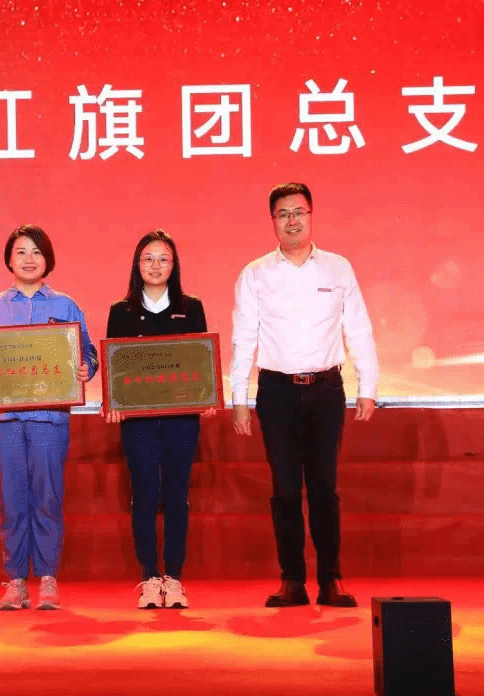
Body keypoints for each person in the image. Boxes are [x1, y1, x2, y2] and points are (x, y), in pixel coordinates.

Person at [230, 183, 379, 608]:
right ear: (273, 221)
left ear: (311, 216)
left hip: (326, 391)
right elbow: (244, 338)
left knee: (324, 487)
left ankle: (331, 579)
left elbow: (359, 329)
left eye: (299, 212)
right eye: (283, 214)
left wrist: (367, 387)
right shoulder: (255, 274)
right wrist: (239, 398)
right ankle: (292, 580)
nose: (292, 220)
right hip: (275, 392)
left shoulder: (337, 268)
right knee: (284, 490)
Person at [0, 225, 98, 610]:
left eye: (36, 251)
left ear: (47, 259)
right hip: (3, 419)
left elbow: (87, 352)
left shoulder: (66, 306)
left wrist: (86, 368)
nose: (29, 259)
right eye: (21, 251)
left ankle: (49, 578)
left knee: (48, 495)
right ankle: (16, 580)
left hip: (49, 418)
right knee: (12, 499)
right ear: (9, 259)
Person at [104, 229, 213, 609]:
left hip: (182, 418)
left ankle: (175, 578)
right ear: (137, 264)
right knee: (145, 494)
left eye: (163, 258)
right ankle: (150, 576)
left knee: (177, 494)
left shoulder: (191, 307)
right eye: (148, 258)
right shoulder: (121, 312)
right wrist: (114, 400)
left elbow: (199, 359)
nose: (155, 265)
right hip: (139, 421)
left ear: (174, 265)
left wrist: (206, 395)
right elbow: (116, 366)